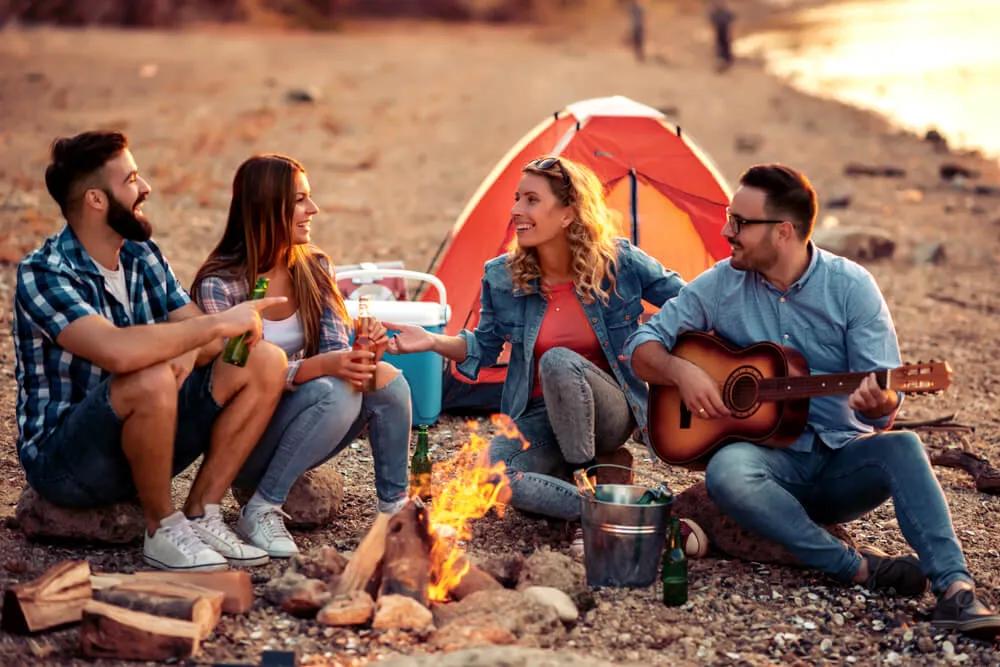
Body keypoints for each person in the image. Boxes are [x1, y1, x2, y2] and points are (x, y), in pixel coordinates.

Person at [626, 163, 1000, 638]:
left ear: (783, 231)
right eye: (729, 218)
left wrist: (878, 404)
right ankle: (854, 566)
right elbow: (641, 346)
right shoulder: (721, 284)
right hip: (766, 468)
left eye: (740, 222)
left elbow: (886, 406)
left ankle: (956, 590)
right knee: (727, 471)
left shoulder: (851, 287)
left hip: (840, 464)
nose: (726, 231)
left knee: (904, 446)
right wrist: (683, 372)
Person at [387, 156, 696, 552]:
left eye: (531, 200)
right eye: (517, 198)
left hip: (608, 411)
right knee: (491, 476)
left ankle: (586, 473)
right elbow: (484, 347)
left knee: (558, 361)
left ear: (568, 213)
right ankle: (605, 510)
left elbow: (690, 303)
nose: (517, 210)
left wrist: (662, 353)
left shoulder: (619, 263)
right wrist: (432, 342)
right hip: (539, 415)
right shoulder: (502, 276)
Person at [13, 131, 289, 572]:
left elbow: (210, 342)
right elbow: (118, 353)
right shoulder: (45, 273)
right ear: (96, 200)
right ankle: (161, 529)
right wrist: (207, 329)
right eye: (131, 180)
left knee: (263, 360)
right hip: (67, 463)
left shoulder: (140, 254)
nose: (146, 188)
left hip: (148, 437)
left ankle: (200, 512)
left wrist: (192, 344)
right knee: (150, 373)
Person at [192, 154, 411, 558]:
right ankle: (262, 507)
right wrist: (321, 367)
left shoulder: (314, 267)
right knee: (335, 391)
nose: (313, 209)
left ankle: (396, 513)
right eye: (299, 200)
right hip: (241, 442)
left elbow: (334, 353)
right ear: (265, 206)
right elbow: (231, 374)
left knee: (388, 382)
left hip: (306, 426)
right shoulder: (220, 284)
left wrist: (363, 355)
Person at [708, 0, 735, 71]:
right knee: (719, 46)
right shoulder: (715, 13)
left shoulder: (726, 13)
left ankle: (727, 60)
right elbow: (712, 22)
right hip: (719, 33)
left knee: (726, 46)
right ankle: (721, 60)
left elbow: (731, 21)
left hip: (725, 33)